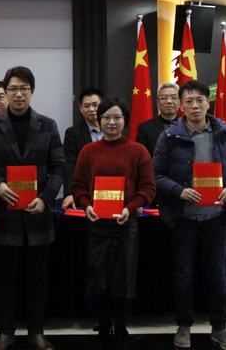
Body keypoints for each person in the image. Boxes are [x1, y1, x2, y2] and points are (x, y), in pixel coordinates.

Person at [0, 66, 65, 350]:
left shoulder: (48, 125)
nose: (18, 94)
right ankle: (6, 332)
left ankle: (36, 331)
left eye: (23, 89)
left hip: (38, 214)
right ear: (5, 92)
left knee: (38, 277)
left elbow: (59, 167)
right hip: (5, 213)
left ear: (32, 91)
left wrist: (46, 198)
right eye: (12, 89)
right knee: (5, 277)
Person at [153, 80, 226, 350]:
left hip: (217, 217)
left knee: (217, 274)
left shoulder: (224, 133)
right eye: (189, 101)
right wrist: (179, 191)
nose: (195, 106)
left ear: (208, 103)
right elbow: (156, 175)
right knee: (183, 273)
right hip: (183, 218)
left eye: (200, 100)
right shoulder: (169, 136)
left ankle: (219, 328)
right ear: (181, 106)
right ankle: (184, 326)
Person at [72, 98, 156, 350]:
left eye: (117, 117)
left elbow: (148, 188)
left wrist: (129, 209)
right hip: (97, 224)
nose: (111, 122)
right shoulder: (88, 151)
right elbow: (78, 186)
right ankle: (102, 325)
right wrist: (86, 205)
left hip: (126, 224)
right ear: (99, 120)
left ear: (125, 121)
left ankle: (121, 327)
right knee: (98, 278)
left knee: (124, 278)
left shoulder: (138, 151)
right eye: (106, 117)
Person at [62, 88, 104, 209]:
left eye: (95, 105)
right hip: (84, 191)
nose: (91, 109)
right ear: (81, 109)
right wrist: (69, 193)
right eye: (87, 106)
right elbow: (69, 165)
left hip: (110, 189)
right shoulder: (73, 133)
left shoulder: (113, 130)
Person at [136, 82, 180, 157]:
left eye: (173, 97)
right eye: (164, 98)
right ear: (157, 103)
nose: (169, 101)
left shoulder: (188, 126)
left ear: (180, 101)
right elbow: (142, 158)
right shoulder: (145, 128)